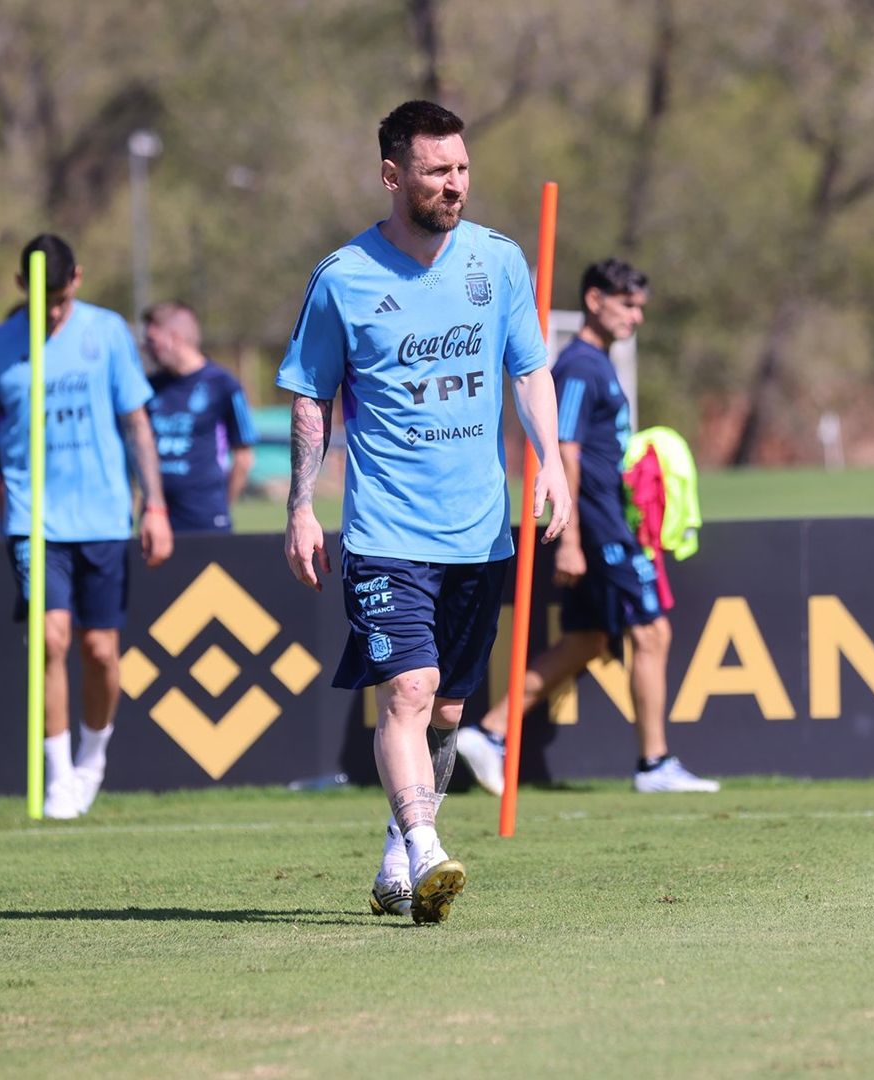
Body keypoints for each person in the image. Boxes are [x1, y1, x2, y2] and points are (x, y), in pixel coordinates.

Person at [279, 100, 570, 924]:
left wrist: (551, 461)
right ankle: (428, 847)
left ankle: (398, 855)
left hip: (479, 531)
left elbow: (528, 370)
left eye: (463, 168)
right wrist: (301, 505)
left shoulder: (499, 262)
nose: (455, 184)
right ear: (391, 175)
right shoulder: (344, 277)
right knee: (409, 689)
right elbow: (311, 397)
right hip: (386, 532)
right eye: (438, 170)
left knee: (446, 710)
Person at [456, 259, 717, 796]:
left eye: (640, 306)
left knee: (586, 641)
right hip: (598, 529)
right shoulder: (578, 366)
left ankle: (490, 733)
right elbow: (564, 448)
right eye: (627, 304)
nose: (636, 316)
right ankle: (654, 764)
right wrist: (571, 536)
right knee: (652, 632)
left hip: (606, 523)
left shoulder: (599, 363)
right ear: (594, 300)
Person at [0, 234, 172, 819]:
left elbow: (136, 423)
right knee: (50, 640)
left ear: (76, 279)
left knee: (100, 651)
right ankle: (57, 777)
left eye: (59, 297)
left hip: (101, 515)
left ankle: (90, 759)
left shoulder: (107, 332)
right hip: (33, 519)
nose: (49, 311)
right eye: (38, 297)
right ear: (19, 286)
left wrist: (154, 505)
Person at [141, 301, 257, 533]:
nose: (146, 348)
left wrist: (221, 507)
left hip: (205, 518)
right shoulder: (149, 387)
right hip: (157, 518)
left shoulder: (223, 384)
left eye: (152, 341)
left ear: (175, 338)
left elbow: (243, 458)